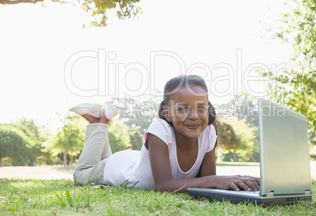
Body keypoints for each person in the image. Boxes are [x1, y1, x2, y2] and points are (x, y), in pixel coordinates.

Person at [71, 75, 260, 193]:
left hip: (133, 160)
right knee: (81, 174)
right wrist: (217, 180)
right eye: (183, 109)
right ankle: (101, 122)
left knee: (100, 158)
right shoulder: (159, 128)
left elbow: (208, 183)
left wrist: (248, 182)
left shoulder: (208, 132)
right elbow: (164, 186)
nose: (194, 116)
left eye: (201, 108)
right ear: (167, 113)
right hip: (114, 168)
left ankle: (101, 120)